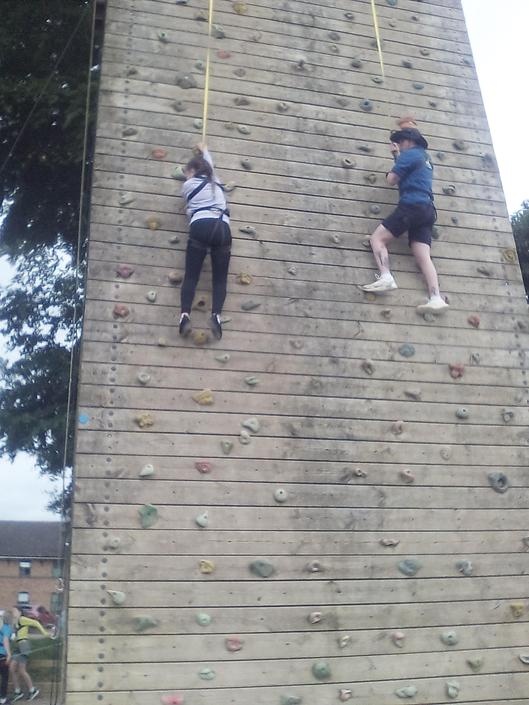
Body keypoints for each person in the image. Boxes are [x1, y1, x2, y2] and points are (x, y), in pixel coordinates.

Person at [361, 120, 449, 314]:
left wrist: (393, 166)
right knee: (423, 255)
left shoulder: (409, 155)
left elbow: (392, 180)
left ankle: (386, 276)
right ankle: (436, 297)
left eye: (401, 141)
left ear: (409, 141)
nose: (399, 145)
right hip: (427, 210)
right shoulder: (425, 158)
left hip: (411, 205)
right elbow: (408, 172)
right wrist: (396, 157)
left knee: (377, 239)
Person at [178, 142, 232, 340]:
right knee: (220, 279)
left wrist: (203, 153)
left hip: (201, 225)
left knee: (191, 276)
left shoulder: (188, 186)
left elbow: (189, 209)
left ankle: (185, 316)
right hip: (222, 228)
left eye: (187, 173)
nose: (186, 176)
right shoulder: (216, 181)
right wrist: (205, 150)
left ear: (192, 171)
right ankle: (216, 316)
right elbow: (210, 166)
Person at [9, 607, 50, 702]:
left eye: (15, 611)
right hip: (18, 646)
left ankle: (33, 690)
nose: (13, 612)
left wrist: (44, 632)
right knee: (12, 668)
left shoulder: (22, 619)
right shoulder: (15, 622)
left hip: (24, 645)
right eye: (12, 611)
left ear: (20, 612)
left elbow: (35, 623)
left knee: (22, 670)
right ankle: (18, 691)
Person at [0, 611, 12, 705]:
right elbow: (5, 640)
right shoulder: (7, 628)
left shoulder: (1, 628)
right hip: (2, 655)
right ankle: (3, 699)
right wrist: (9, 654)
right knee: (4, 677)